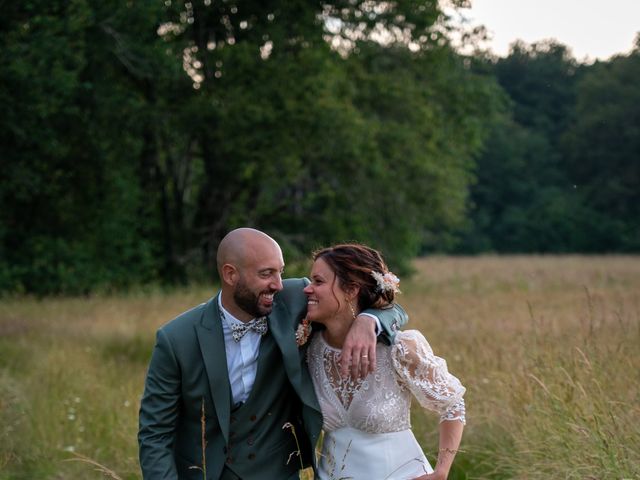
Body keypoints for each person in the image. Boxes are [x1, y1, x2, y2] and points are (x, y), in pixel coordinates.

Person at [138, 228, 407, 479]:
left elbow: (386, 303)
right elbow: (154, 434)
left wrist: (368, 320)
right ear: (231, 275)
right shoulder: (176, 338)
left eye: (280, 272)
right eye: (266, 274)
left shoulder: (296, 299)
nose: (278, 284)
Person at [304, 243, 466, 480]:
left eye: (318, 282)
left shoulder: (400, 348)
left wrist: (441, 471)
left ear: (351, 290)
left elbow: (452, 404)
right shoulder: (309, 347)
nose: (307, 289)